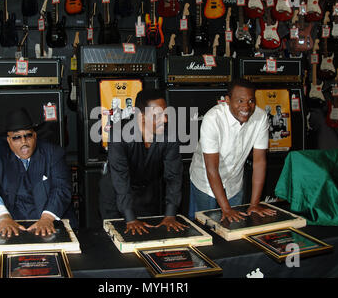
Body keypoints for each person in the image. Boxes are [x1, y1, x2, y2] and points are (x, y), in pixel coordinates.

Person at [0, 108, 74, 237]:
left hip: (44, 210)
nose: (24, 142)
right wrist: (3, 217)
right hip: (6, 209)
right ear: (8, 140)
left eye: (28, 135)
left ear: (35, 136)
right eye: (17, 137)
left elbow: (61, 187)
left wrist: (47, 218)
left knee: (67, 227)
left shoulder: (53, 153)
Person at [98, 89, 187, 235]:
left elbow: (174, 177)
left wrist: (170, 214)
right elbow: (120, 178)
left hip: (146, 193)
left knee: (147, 237)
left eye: (165, 114)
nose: (165, 120)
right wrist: (130, 219)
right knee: (116, 240)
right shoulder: (119, 134)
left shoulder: (169, 136)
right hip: (115, 193)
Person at [189, 79, 276, 222]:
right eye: (240, 101)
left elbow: (259, 162)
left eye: (251, 101)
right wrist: (226, 209)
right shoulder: (213, 119)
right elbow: (212, 169)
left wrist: (254, 204)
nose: (246, 107)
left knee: (235, 230)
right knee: (204, 228)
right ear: (227, 100)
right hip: (205, 182)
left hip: (234, 184)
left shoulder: (260, 118)